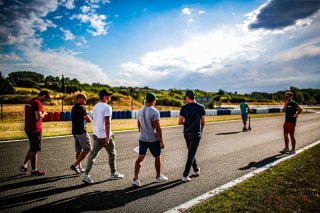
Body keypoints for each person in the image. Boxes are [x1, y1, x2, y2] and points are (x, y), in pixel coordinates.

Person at [82, 89, 124, 184]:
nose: (110, 97)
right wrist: (108, 137)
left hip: (96, 135)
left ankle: (86, 175)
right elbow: (107, 122)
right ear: (104, 97)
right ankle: (113, 173)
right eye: (109, 95)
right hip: (105, 135)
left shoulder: (95, 106)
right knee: (112, 154)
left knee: (93, 155)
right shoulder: (107, 107)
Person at [132, 93, 168, 187]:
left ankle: (135, 178)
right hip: (152, 139)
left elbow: (138, 124)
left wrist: (141, 132)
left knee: (140, 158)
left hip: (142, 138)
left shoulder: (140, 110)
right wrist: (161, 141)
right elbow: (158, 128)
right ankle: (158, 176)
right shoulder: (155, 111)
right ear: (153, 100)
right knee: (157, 156)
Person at [20, 91, 50, 176]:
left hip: (28, 127)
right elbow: (38, 117)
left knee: (32, 147)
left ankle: (24, 165)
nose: (46, 101)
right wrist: (44, 113)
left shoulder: (29, 102)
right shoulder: (38, 103)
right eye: (46, 99)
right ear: (44, 96)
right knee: (34, 150)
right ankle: (34, 170)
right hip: (35, 129)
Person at [178, 90, 205, 182]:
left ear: (187, 97)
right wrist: (201, 131)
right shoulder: (201, 107)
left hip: (186, 133)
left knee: (191, 152)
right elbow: (203, 122)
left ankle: (196, 170)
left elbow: (180, 122)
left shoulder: (183, 107)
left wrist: (187, 122)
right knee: (191, 154)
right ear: (194, 97)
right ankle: (185, 175)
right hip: (196, 133)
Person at [70, 93, 92, 174]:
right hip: (81, 132)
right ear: (79, 98)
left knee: (79, 150)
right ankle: (75, 165)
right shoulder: (81, 107)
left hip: (75, 131)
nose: (86, 99)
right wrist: (87, 118)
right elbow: (89, 119)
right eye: (84, 98)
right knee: (87, 148)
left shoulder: (74, 107)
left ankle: (79, 167)